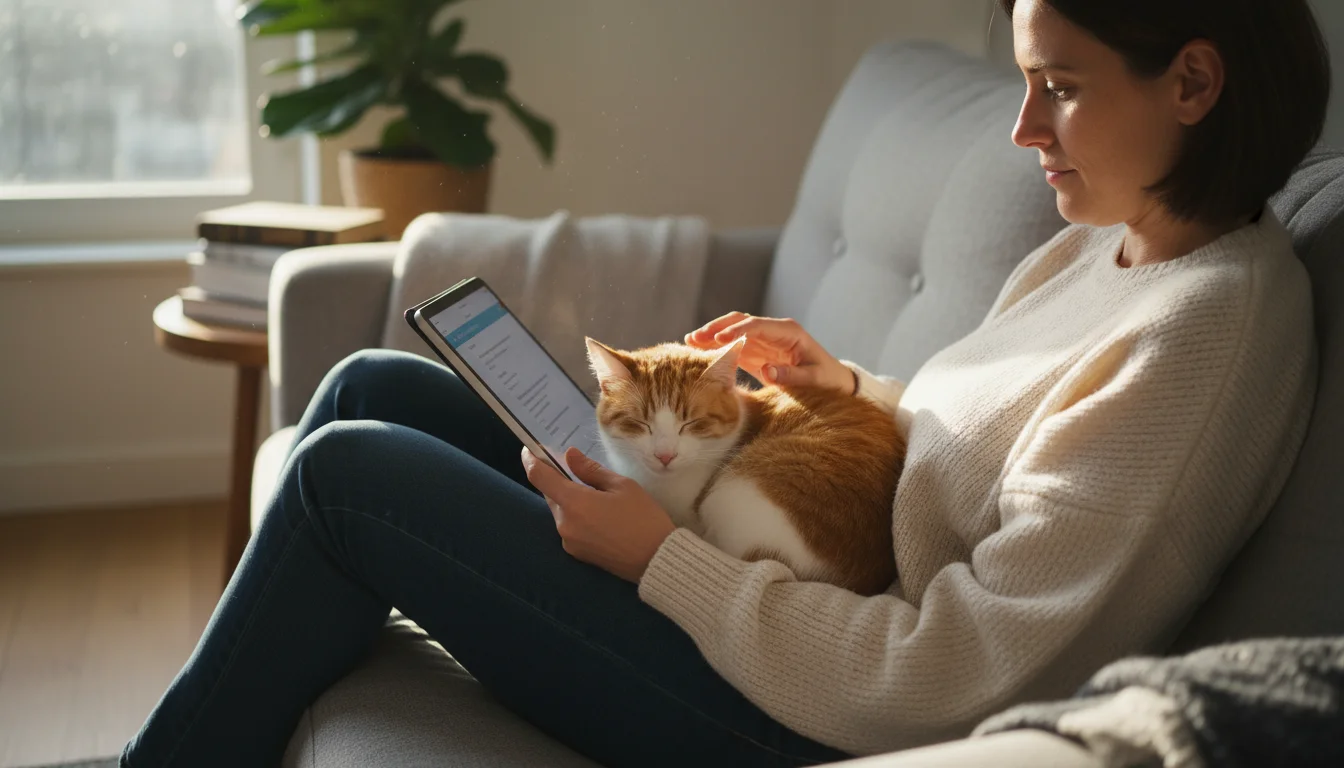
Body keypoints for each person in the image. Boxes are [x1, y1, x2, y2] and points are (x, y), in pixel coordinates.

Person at [120, 0, 1330, 766]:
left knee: (346, 479)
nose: (1024, 129)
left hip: (805, 712)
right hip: (798, 624)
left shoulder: (1202, 341)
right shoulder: (1108, 244)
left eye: (1059, 85)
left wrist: (661, 557)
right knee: (374, 386)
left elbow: (961, 678)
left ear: (1193, 84)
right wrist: (843, 377)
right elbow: (1011, 446)